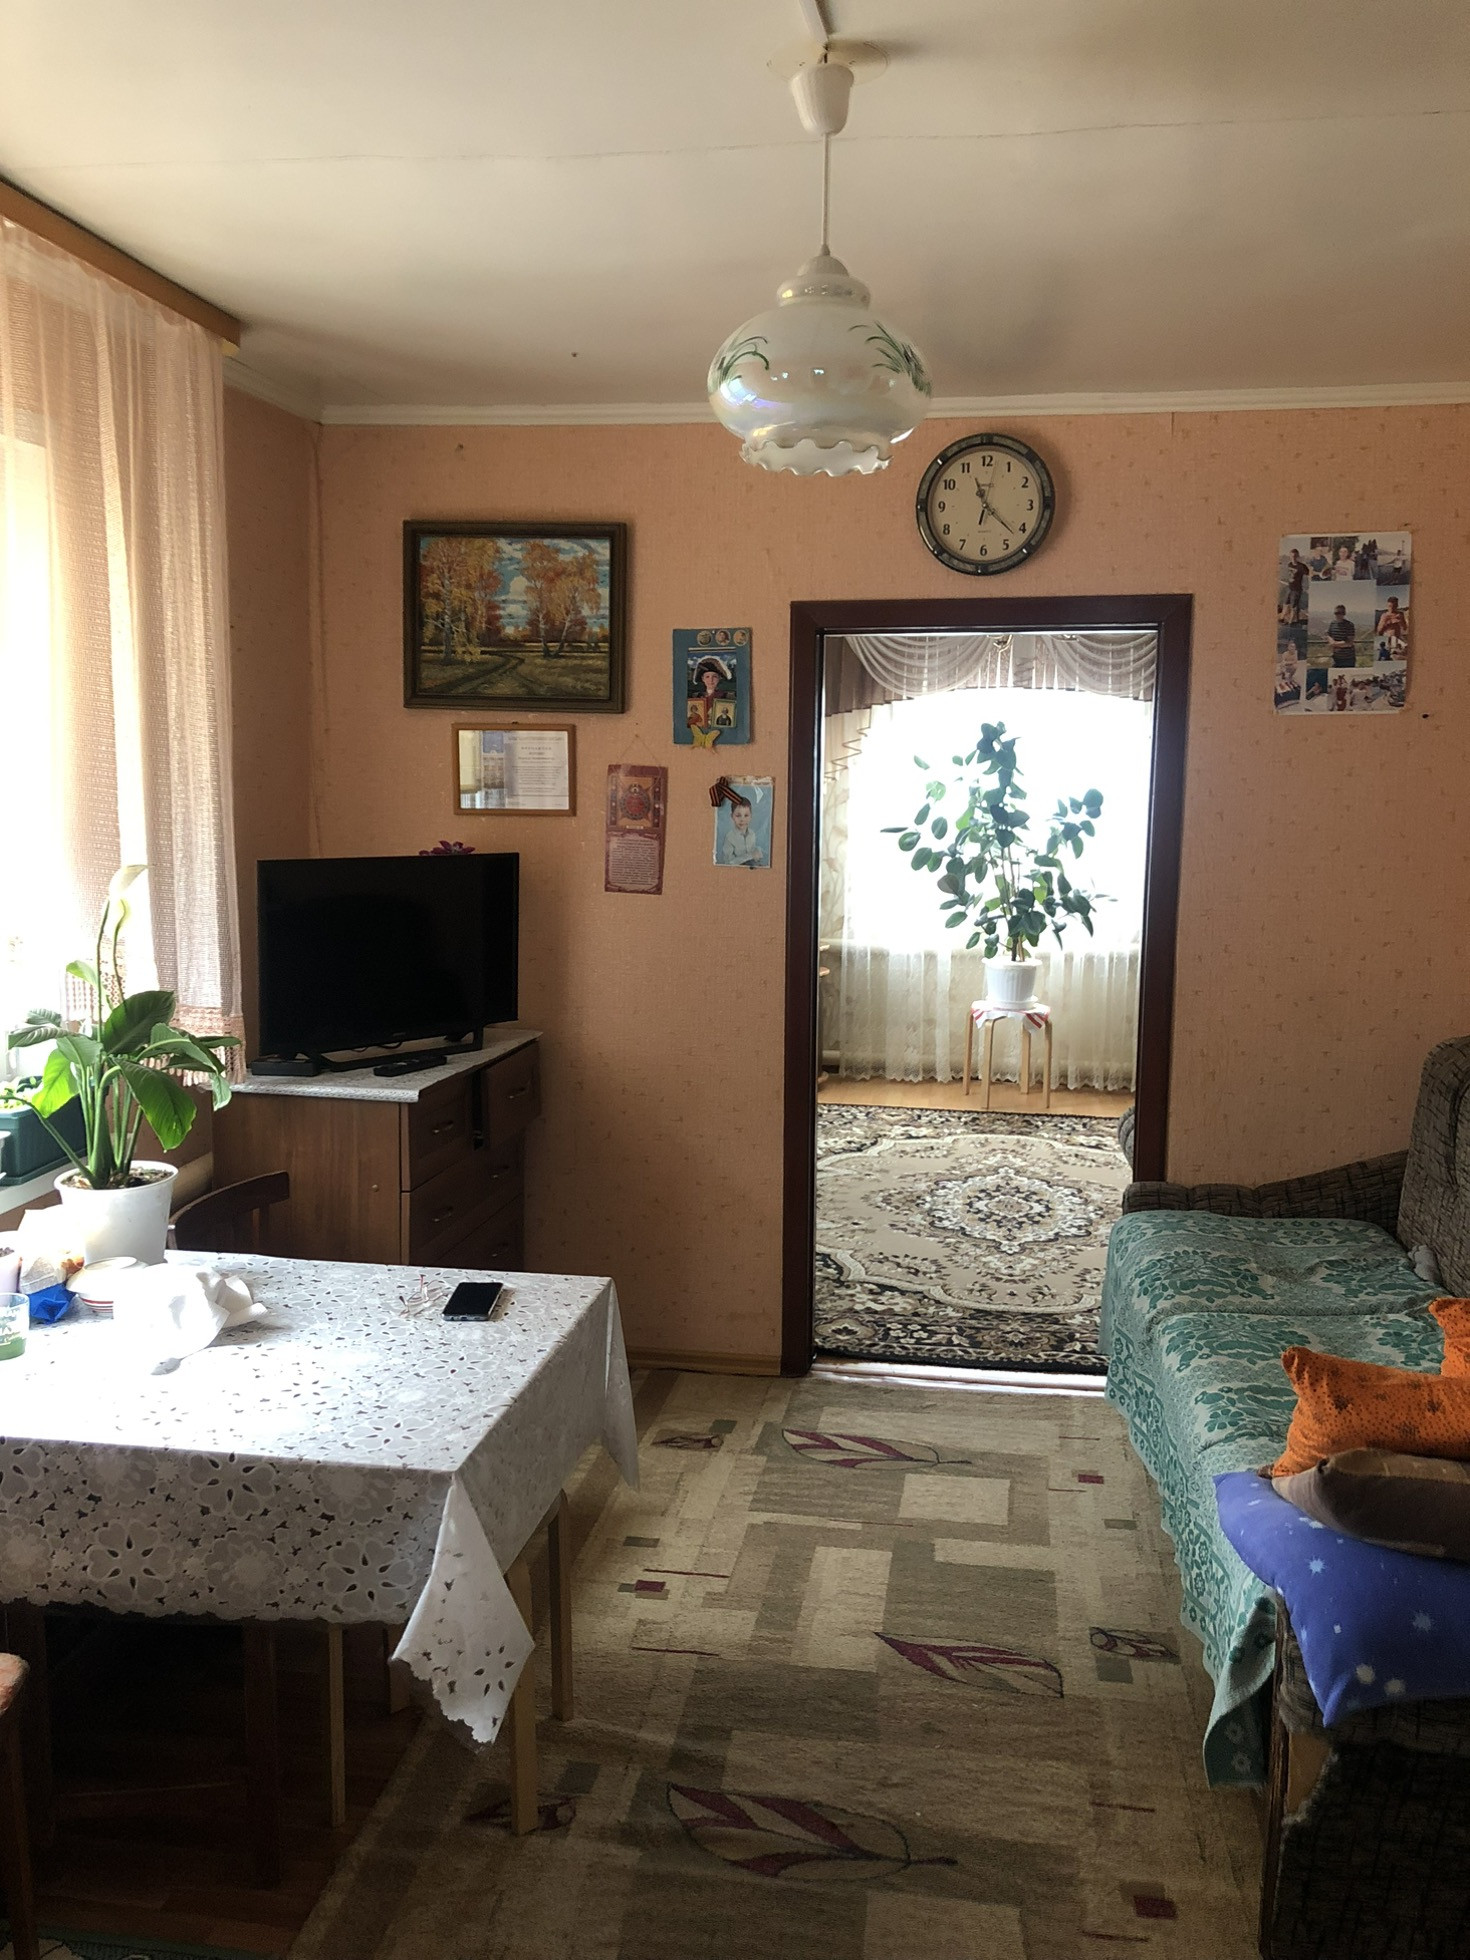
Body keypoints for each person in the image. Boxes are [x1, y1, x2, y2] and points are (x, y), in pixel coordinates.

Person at [721, 797, 764, 867]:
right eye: (738, 816)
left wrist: (757, 853)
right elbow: (728, 863)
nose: (742, 819)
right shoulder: (729, 837)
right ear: (732, 816)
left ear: (751, 816)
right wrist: (750, 856)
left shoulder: (752, 834)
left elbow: (753, 852)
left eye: (746, 815)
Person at [1282, 547, 1310, 623]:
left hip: (1296, 589)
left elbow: (1309, 574)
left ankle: (1291, 622)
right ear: (1289, 556)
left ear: (1297, 556)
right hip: (1289, 588)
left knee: (1293, 606)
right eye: (1291, 556)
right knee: (1285, 603)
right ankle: (1282, 618)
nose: (1293, 558)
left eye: (1294, 556)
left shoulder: (1301, 566)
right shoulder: (1289, 564)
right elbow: (1290, 575)